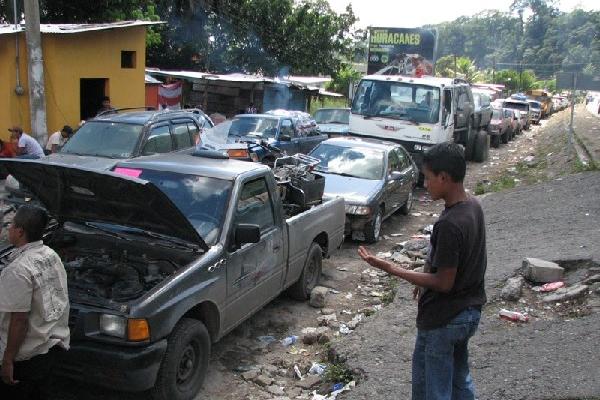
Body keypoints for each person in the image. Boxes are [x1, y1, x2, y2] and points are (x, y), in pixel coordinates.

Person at [358, 142, 486, 400]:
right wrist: (424, 274)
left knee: (432, 391)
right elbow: (452, 262)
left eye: (427, 179)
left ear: (444, 177)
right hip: (469, 312)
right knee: (460, 383)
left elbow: (443, 282)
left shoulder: (450, 224)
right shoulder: (472, 206)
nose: (424, 185)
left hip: (444, 319)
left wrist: (391, 268)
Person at [0, 206, 70, 399]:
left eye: (10, 225)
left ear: (20, 231)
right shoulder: (50, 255)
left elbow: (19, 321)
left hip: (25, 359)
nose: (8, 229)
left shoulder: (18, 270)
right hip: (50, 347)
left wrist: (7, 361)